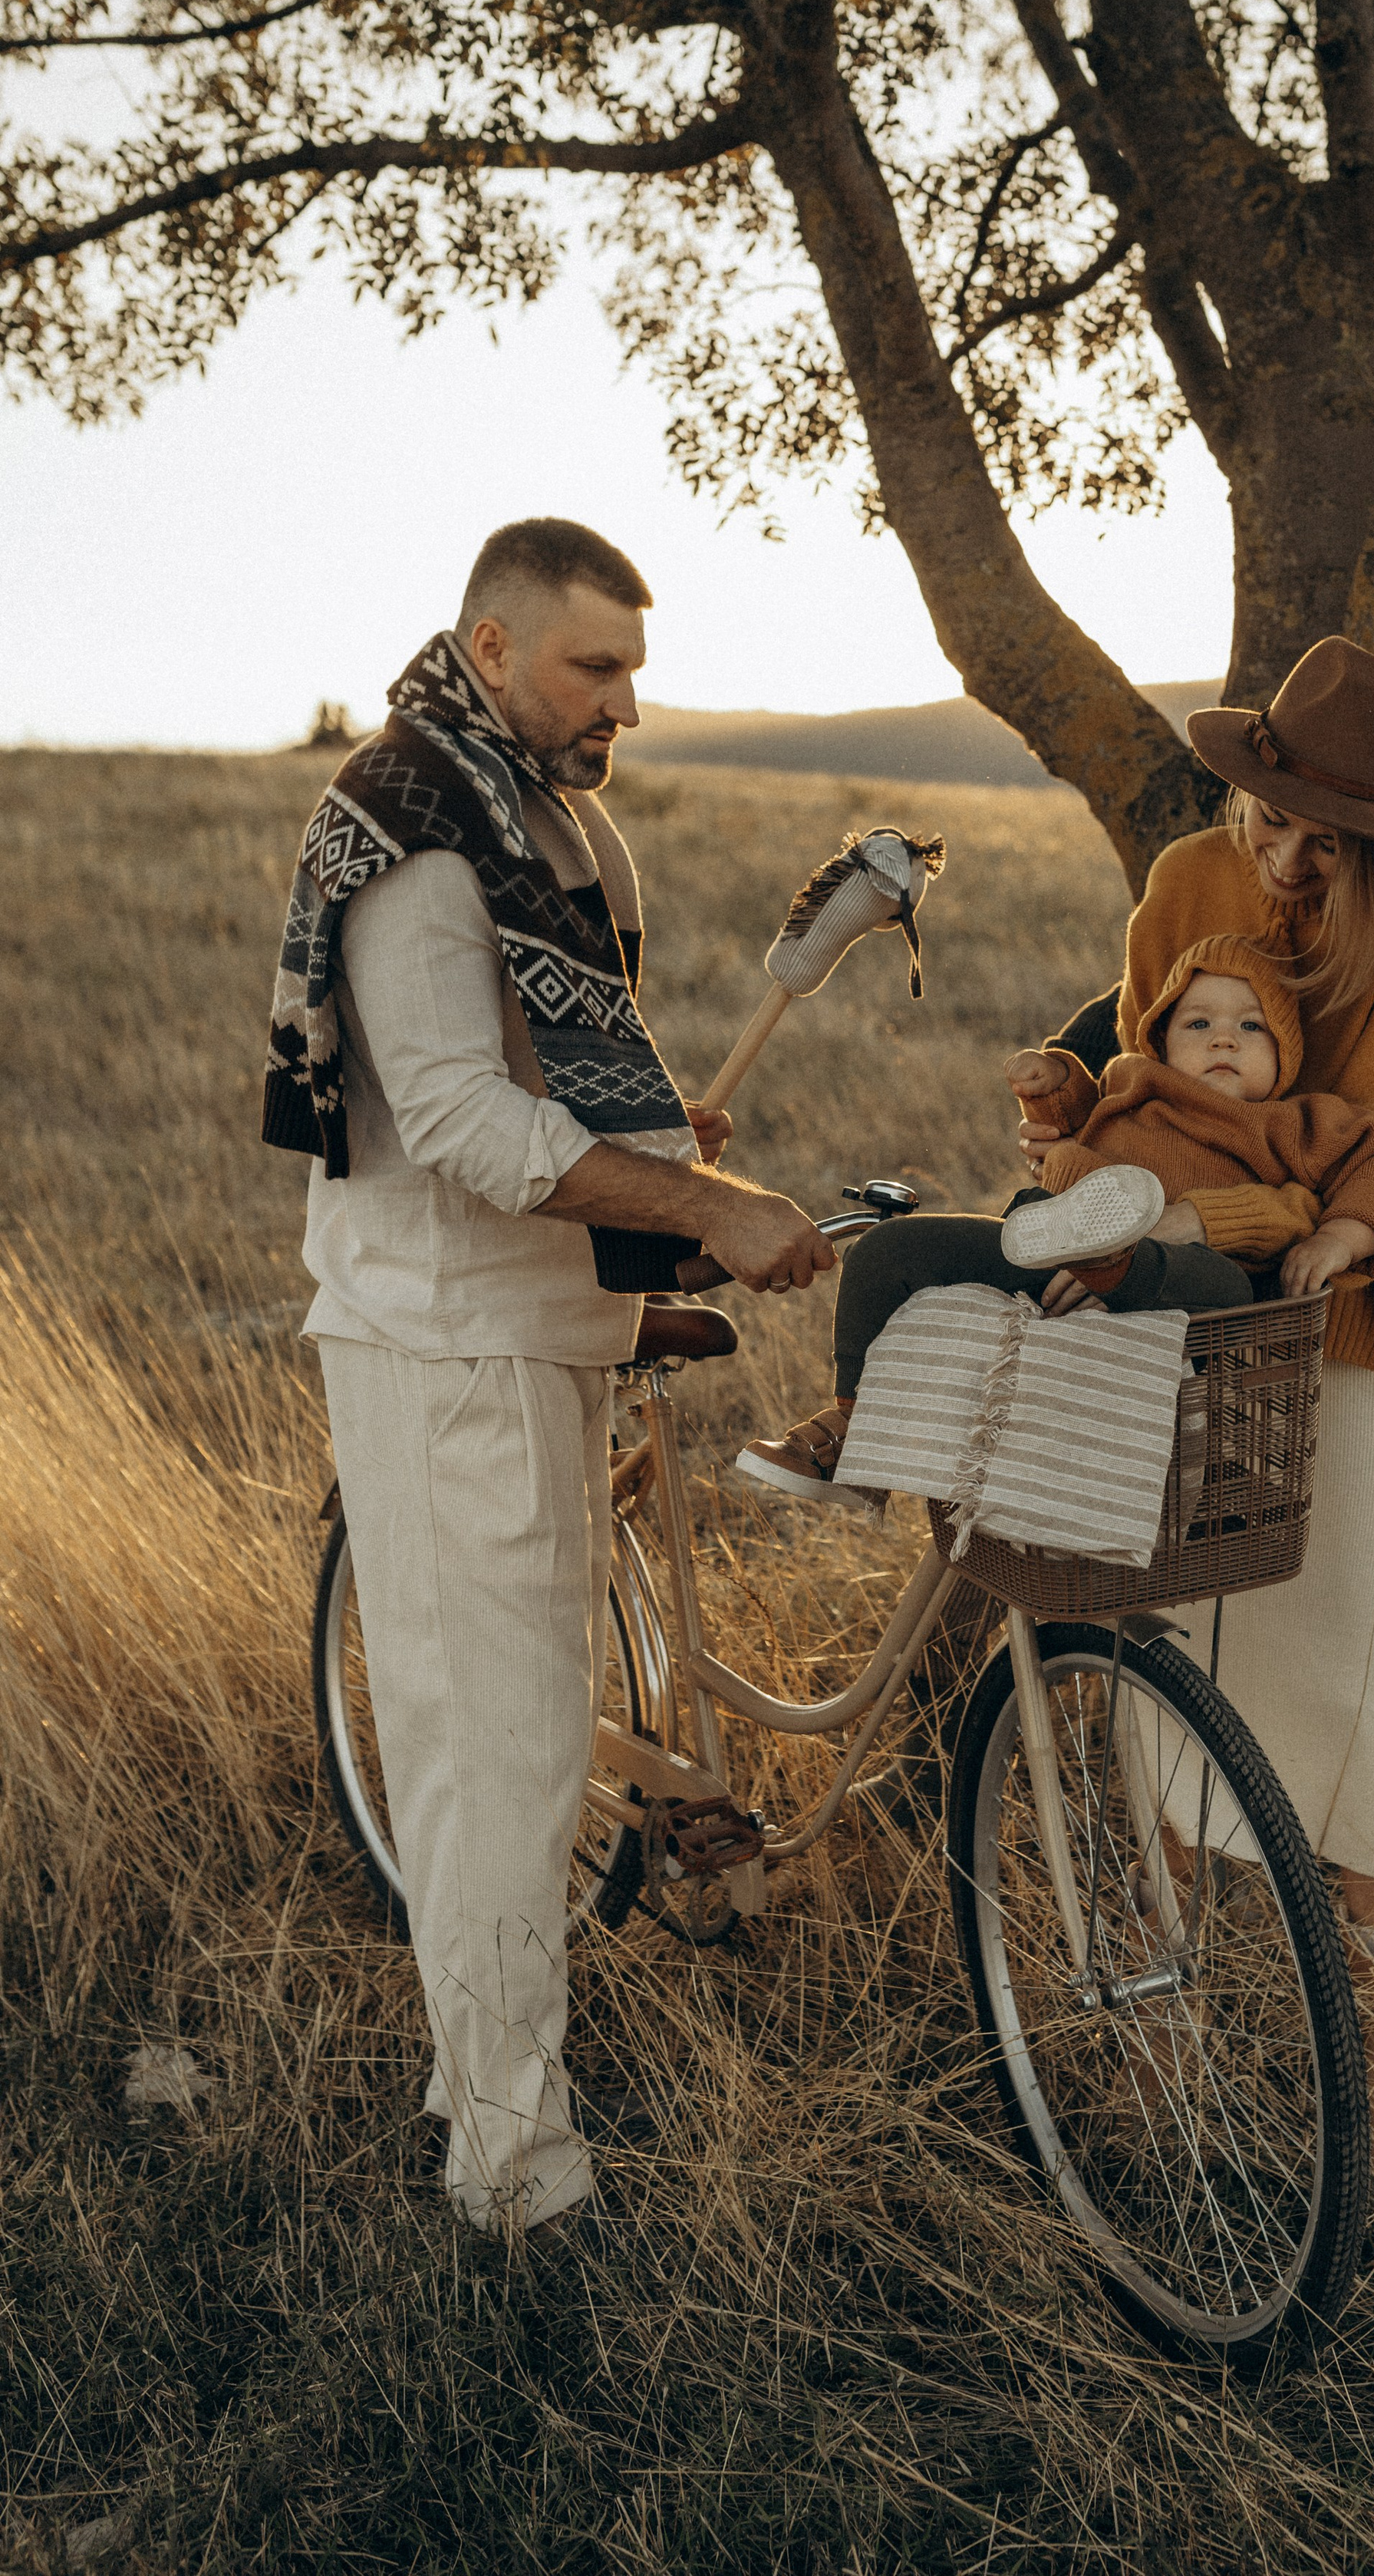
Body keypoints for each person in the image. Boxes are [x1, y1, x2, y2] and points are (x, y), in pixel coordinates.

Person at [262, 516, 838, 2235]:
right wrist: (707, 1203)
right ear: (494, 649)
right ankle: (513, 2181)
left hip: (529, 1330)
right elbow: (448, 1118)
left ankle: (480, 2105)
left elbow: (539, 1084)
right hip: (448, 1350)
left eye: (636, 672)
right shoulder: (423, 830)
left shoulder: (530, 812)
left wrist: (661, 1141)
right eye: (595, 667)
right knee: (495, 1763)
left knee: (500, 1750)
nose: (626, 706)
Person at [1023, 638, 1374, 2193]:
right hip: (1168, 1319)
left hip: (1337, 1339)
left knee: (1349, 1685)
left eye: (1327, 843)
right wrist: (1077, 1127)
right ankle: (1159, 2031)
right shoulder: (1176, 891)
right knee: (1158, 1657)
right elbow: (1151, 1078)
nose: (1283, 857)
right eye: (1269, 815)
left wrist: (1261, 1212)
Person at [733, 935, 1374, 1499]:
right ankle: (857, 1435)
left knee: (1215, 1282)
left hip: (1186, 1293)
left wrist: (1337, 1236)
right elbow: (1071, 1130)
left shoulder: (1297, 1123)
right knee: (889, 1249)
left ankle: (1108, 1256)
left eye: (1250, 1026)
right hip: (1054, 1258)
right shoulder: (1132, 1088)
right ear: (1162, 1041)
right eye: (1198, 1024)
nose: (1223, 1042)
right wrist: (1052, 1087)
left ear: (1287, 1051)